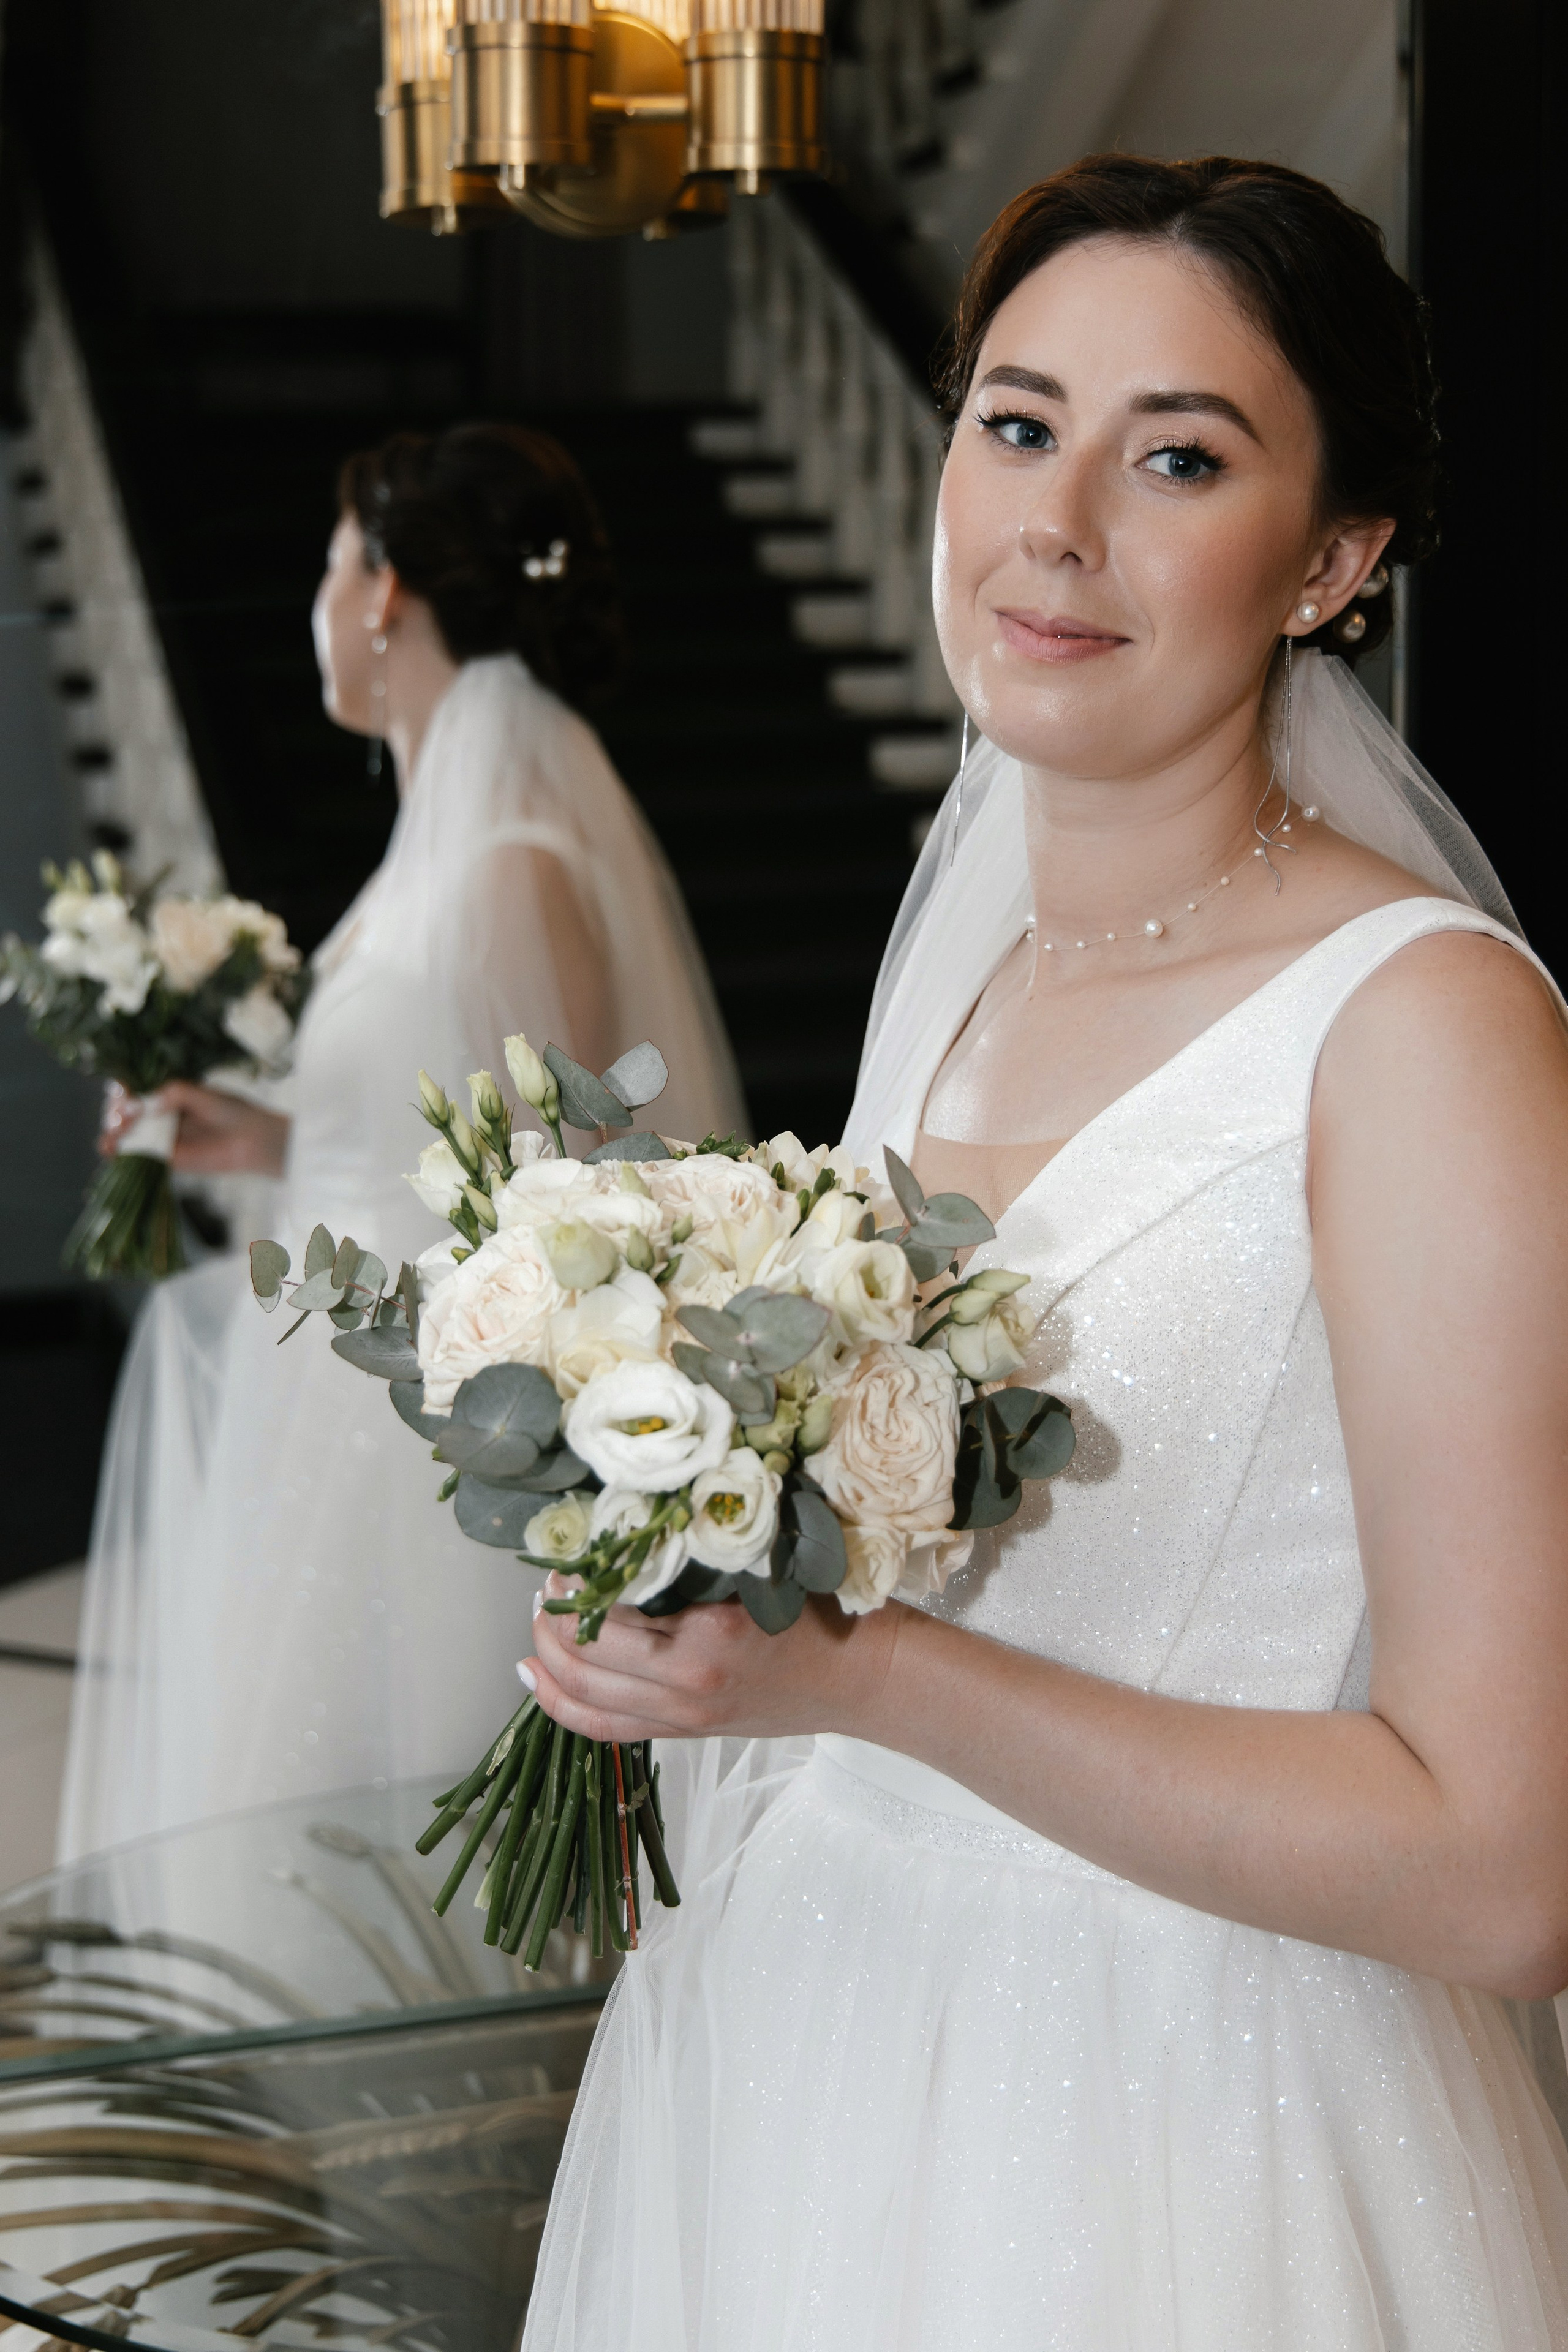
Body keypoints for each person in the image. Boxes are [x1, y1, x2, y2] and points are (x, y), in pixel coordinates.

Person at [519, 159, 1568, 2348]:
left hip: (1188, 2134)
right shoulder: (977, 973)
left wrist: (872, 1680)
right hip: (803, 2047)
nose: (1055, 522)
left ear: (1340, 558)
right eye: (1015, 421)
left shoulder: (1423, 1032)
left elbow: (1506, 1865)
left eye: (1176, 454)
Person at [58, 421, 745, 1860]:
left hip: (427, 1422)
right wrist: (256, 1139)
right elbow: (418, 1136)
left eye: (328, 565)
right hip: (343, 1388)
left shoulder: (507, 867)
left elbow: (574, 1190)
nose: (318, 603)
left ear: (381, 591)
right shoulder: (437, 849)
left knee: (392, 1805)